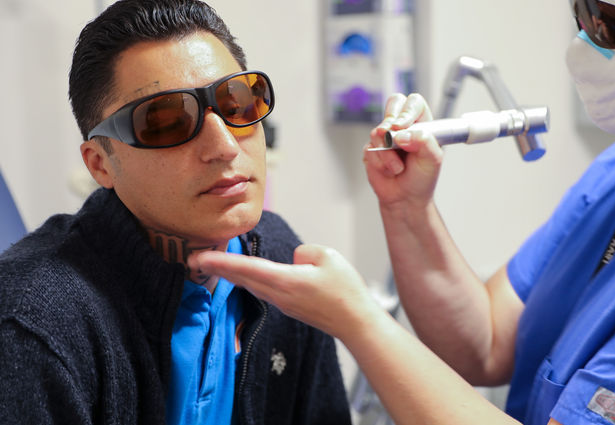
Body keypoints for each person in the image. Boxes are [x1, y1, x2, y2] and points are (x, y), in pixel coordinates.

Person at [191, 0, 615, 424]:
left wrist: (358, 321)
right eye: (581, 11)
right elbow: (483, 343)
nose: (587, 41)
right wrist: (408, 209)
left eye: (612, 21)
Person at [0, 0, 352, 424]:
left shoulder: (281, 261)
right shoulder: (32, 324)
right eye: (165, 121)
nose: (224, 145)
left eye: (237, 102)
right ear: (100, 163)